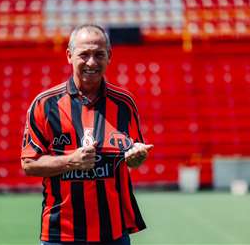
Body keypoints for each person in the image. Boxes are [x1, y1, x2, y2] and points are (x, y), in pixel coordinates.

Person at [21, 24, 153, 245]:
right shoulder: (45, 105)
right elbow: (29, 164)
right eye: (84, 54)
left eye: (99, 54)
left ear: (109, 56)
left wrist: (138, 158)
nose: (91, 62)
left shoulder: (124, 103)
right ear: (69, 56)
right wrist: (71, 161)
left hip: (113, 234)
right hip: (60, 234)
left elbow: (134, 154)